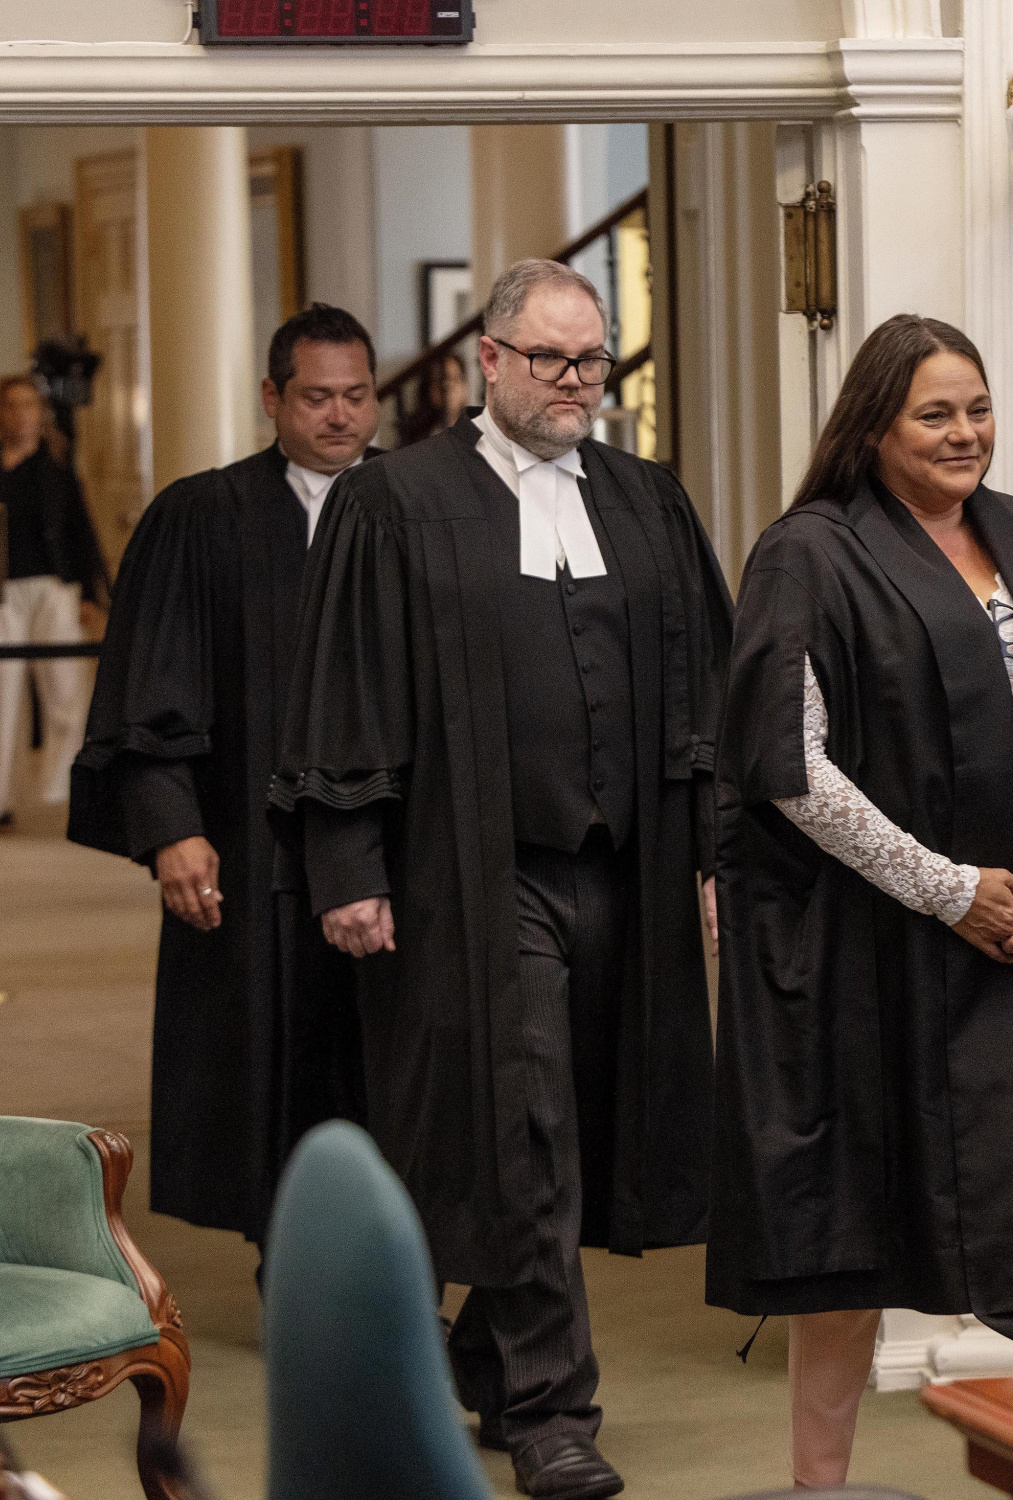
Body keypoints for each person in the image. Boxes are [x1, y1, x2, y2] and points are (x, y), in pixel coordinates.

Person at [706, 314, 1013, 1490]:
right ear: (873, 423)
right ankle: (816, 1488)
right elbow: (791, 764)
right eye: (934, 413)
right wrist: (944, 890)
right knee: (852, 1245)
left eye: (976, 407)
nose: (963, 432)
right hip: (879, 960)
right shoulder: (811, 553)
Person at [272, 259, 732, 1500]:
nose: (577, 383)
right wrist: (346, 865)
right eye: (551, 360)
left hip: (621, 878)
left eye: (593, 361)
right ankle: (550, 1412)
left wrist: (706, 856)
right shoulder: (399, 500)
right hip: (471, 879)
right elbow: (345, 690)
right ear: (490, 361)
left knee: (583, 1121)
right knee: (521, 1124)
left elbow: (700, 694)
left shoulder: (643, 500)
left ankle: (483, 1344)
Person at [69, 304, 380, 1255]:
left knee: (394, 1055)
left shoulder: (419, 508)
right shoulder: (205, 516)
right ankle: (288, 1257)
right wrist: (170, 824)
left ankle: (401, 1259)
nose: (340, 417)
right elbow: (150, 685)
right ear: (271, 398)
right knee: (267, 1052)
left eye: (358, 396)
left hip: (395, 846)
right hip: (250, 841)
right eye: (317, 397)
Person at [0, 374, 108, 824]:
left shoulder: (55, 470)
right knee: (1, 696)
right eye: (13, 406)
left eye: (30, 406)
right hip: (4, 590)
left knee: (66, 691)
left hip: (54, 586)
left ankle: (59, 790)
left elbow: (80, 530)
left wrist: (89, 590)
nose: (23, 415)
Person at [397, 348, 469, 448]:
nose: (448, 386)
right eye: (441, 380)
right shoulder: (417, 438)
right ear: (428, 389)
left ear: (465, 386)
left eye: (455, 379)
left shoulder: (476, 433)